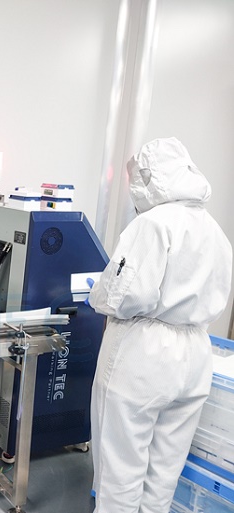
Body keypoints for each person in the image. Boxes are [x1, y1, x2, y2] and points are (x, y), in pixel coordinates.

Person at [86, 137, 232, 513]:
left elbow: (125, 295)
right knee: (163, 478)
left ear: (150, 177)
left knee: (120, 476)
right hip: (195, 355)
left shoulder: (153, 223)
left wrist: (98, 295)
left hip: (145, 358)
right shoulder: (215, 230)